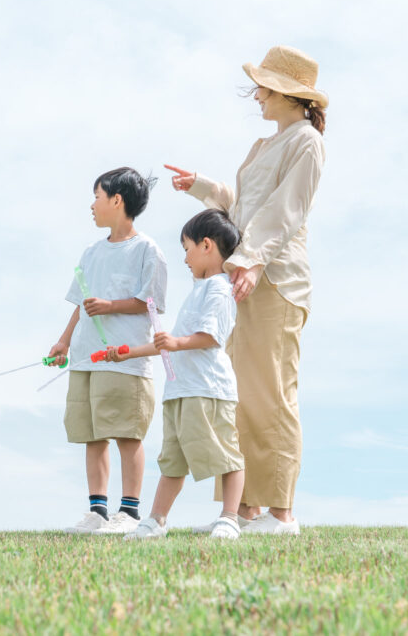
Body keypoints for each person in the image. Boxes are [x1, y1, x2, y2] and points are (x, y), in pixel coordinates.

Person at [165, 45, 328, 535]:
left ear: (287, 94)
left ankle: (281, 514)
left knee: (272, 393)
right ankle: (244, 511)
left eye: (263, 87)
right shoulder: (264, 146)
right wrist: (202, 187)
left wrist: (250, 260)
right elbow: (243, 203)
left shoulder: (306, 141)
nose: (256, 95)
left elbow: (286, 210)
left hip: (275, 280)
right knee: (239, 395)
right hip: (245, 278)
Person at [105, 208, 245, 540]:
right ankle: (156, 520)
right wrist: (127, 353)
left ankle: (229, 518)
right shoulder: (199, 290)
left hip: (208, 391)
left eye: (187, 249)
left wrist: (177, 341)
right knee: (172, 462)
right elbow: (170, 344)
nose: (184, 259)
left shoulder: (220, 290)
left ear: (206, 245)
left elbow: (210, 337)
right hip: (181, 392)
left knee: (225, 454)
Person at [47, 167, 167, 535]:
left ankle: (128, 512)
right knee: (92, 434)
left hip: (124, 359)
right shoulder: (91, 251)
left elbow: (152, 303)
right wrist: (64, 341)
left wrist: (111, 305)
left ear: (117, 201)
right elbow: (80, 304)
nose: (92, 205)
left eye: (96, 197)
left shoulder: (148, 250)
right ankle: (96, 511)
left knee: (127, 434)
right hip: (85, 357)